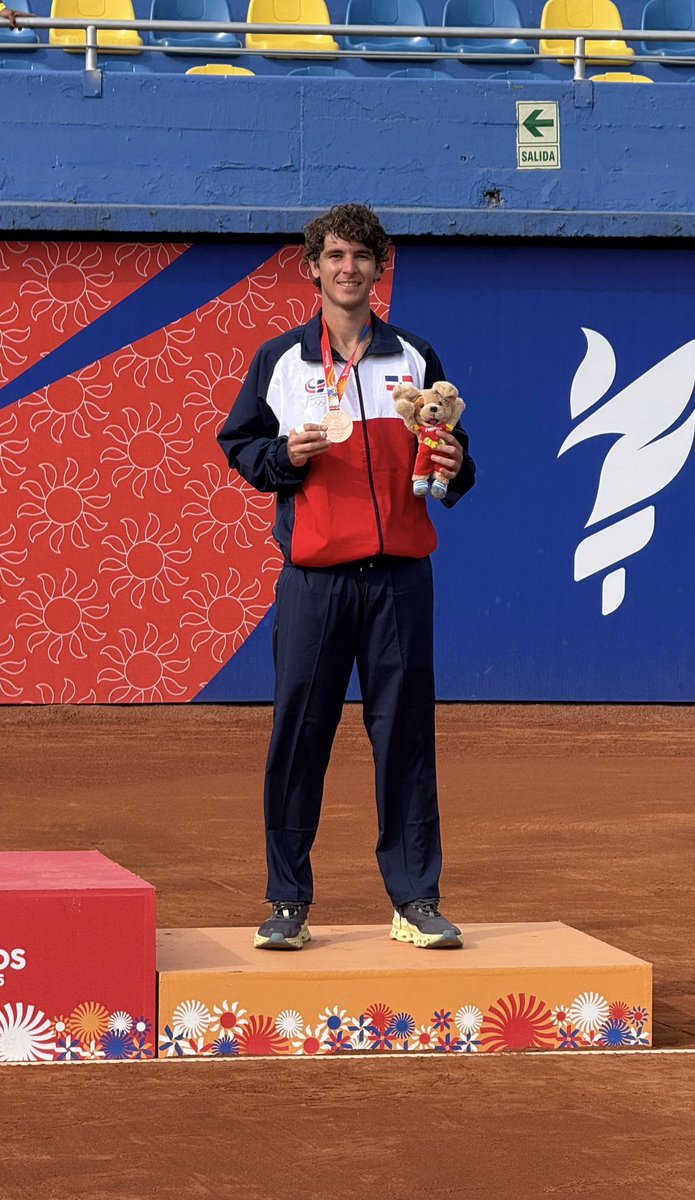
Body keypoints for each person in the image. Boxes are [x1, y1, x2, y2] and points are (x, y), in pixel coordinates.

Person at [218, 203, 475, 951]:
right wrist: (281, 461)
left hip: (399, 578)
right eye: (335, 255)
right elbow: (240, 445)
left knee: (407, 739)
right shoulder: (282, 361)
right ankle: (288, 902)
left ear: (380, 266)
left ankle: (415, 900)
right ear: (313, 267)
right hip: (315, 582)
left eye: (362, 256)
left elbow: (456, 458)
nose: (349, 268)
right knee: (299, 736)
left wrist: (455, 468)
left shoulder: (416, 357)